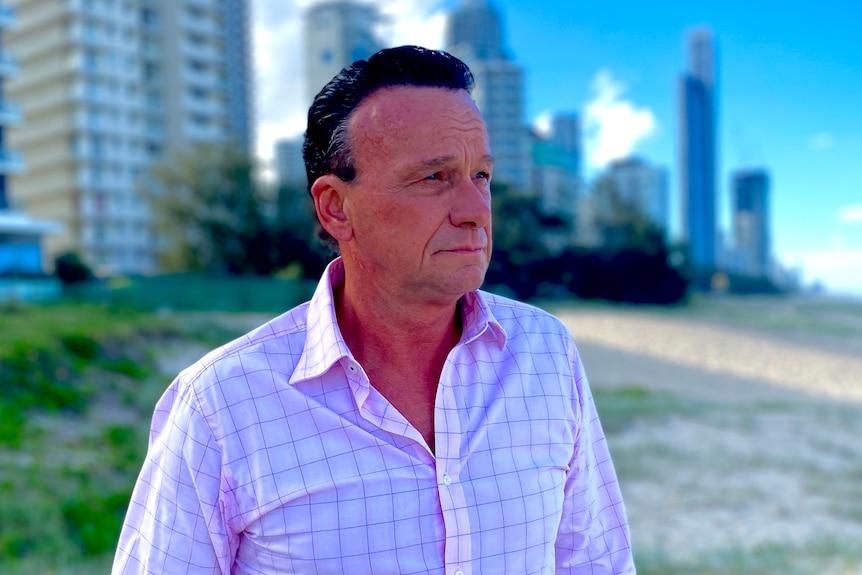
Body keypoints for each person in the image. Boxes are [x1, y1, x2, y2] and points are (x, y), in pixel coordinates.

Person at [113, 45, 635, 575]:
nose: (477, 211)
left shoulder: (546, 354)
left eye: (481, 176)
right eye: (434, 178)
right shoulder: (222, 406)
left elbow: (596, 562)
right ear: (336, 207)